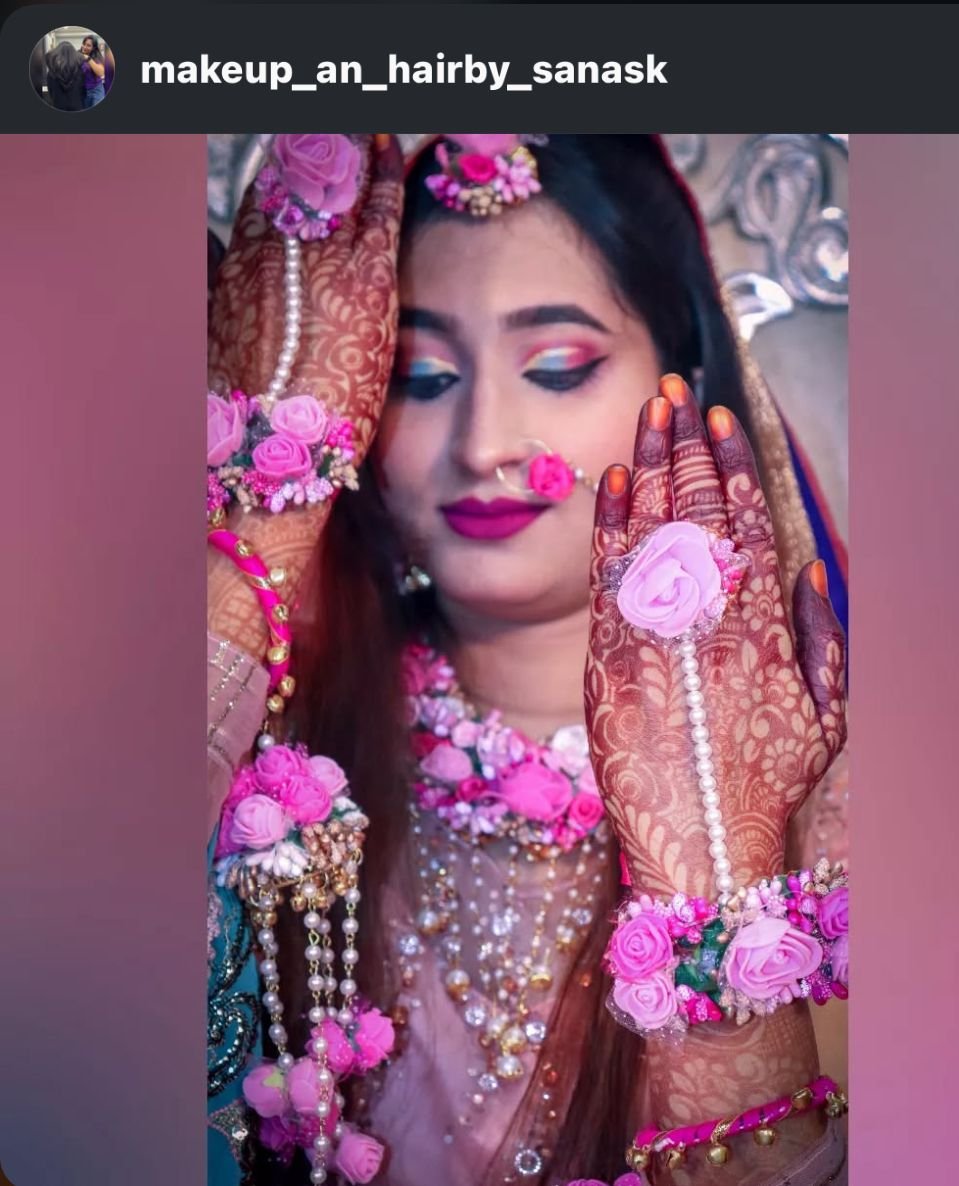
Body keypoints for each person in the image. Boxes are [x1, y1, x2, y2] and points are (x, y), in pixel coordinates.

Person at [206, 134, 848, 1186]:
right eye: (418, 376)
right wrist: (261, 505)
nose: (484, 443)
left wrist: (717, 891)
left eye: (557, 368)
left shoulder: (833, 801)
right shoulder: (268, 767)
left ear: (684, 382)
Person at [43, 42, 85, 112]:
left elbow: (50, 91)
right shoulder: (80, 72)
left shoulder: (51, 73)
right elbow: (83, 90)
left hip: (57, 105)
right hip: (76, 105)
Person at [80, 35, 106, 108]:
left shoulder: (97, 56)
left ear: (94, 48)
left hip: (96, 90)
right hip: (83, 91)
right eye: (84, 44)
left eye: (88, 45)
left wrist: (88, 59)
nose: (85, 47)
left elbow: (101, 73)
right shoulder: (78, 54)